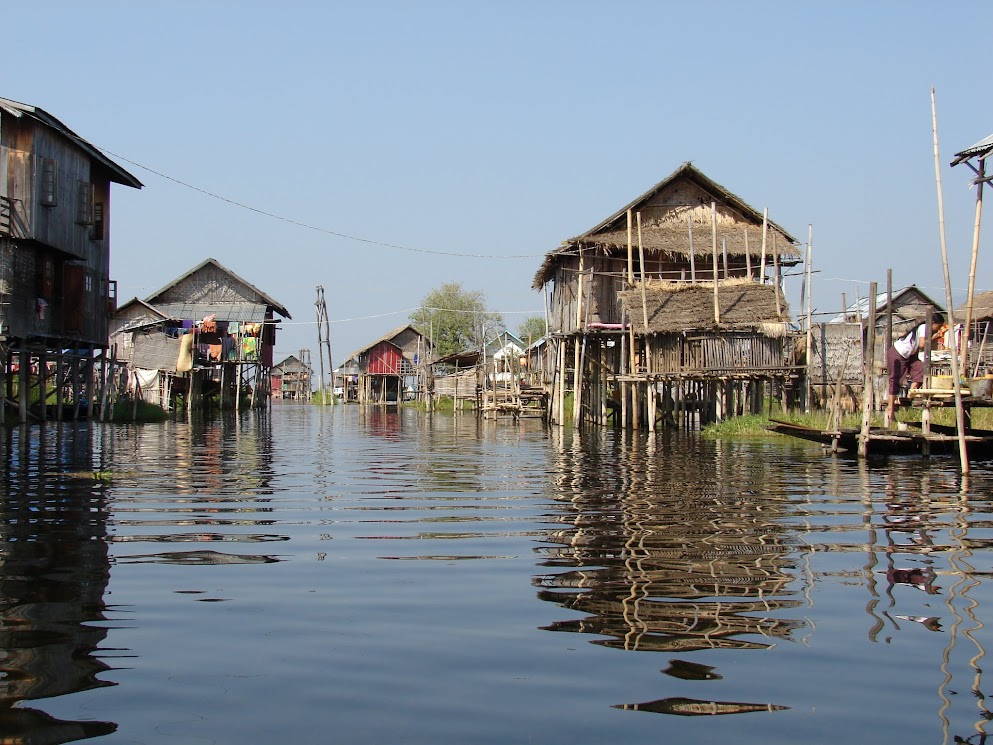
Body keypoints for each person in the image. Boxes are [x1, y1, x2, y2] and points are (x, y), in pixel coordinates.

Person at [885, 312, 945, 420]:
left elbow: (928, 347)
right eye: (938, 326)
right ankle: (890, 408)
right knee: (896, 379)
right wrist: (933, 338)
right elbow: (922, 344)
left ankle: (910, 394)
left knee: (919, 369)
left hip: (911, 354)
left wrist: (935, 338)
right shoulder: (924, 327)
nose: (939, 328)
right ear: (933, 323)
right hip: (899, 353)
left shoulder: (929, 331)